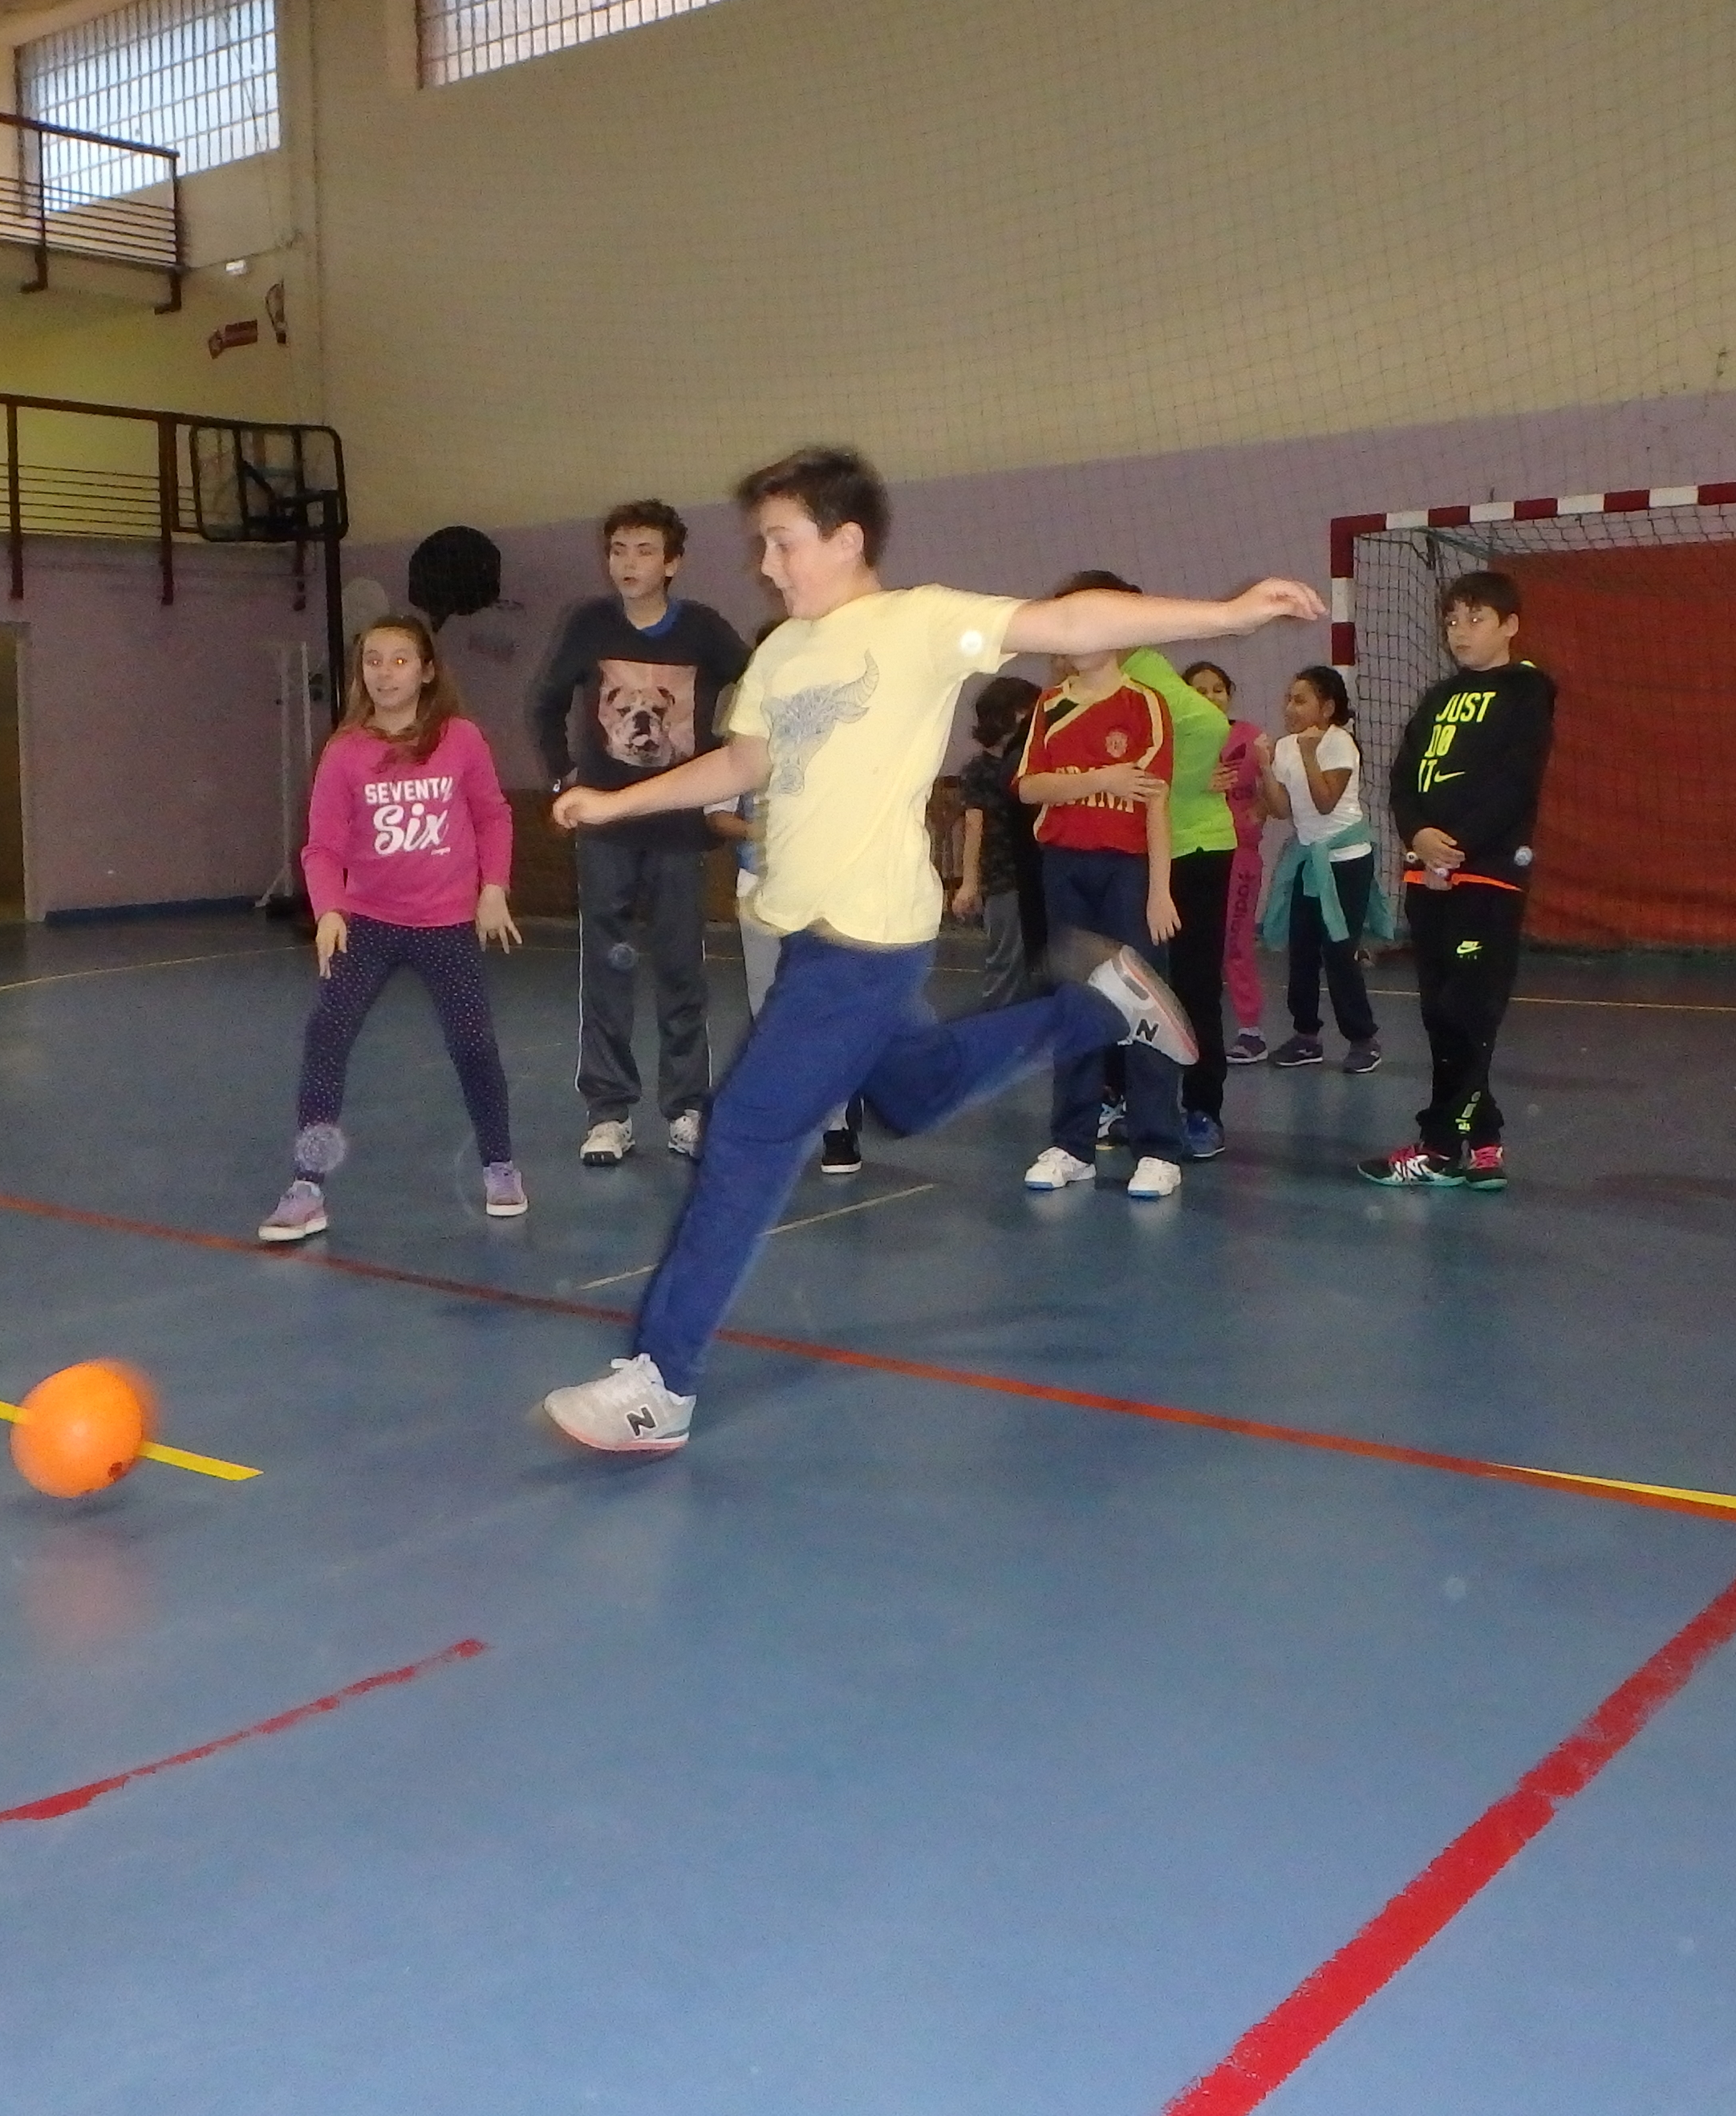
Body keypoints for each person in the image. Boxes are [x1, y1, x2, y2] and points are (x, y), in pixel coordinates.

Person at [538, 445, 1316, 1454]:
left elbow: (1067, 622)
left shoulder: (915, 622)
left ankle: (662, 1386)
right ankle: (1093, 1007)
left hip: (868, 942)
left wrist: (1227, 614)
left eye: (782, 542)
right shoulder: (781, 653)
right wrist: (613, 800)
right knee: (909, 1089)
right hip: (807, 938)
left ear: (845, 538)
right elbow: (741, 761)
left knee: (744, 1138)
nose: (767, 563)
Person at [258, 613, 524, 1240]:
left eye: (399, 660)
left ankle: (500, 1165)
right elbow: (322, 846)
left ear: (427, 670)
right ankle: (306, 1186)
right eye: (372, 660)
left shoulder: (459, 739)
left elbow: (492, 815)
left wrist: (494, 888)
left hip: (445, 922)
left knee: (472, 1043)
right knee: (327, 1038)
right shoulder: (346, 750)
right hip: (370, 923)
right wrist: (329, 910)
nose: (384, 673)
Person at [526, 501, 751, 1170]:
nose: (629, 562)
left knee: (682, 970)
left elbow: (758, 685)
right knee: (607, 969)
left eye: (644, 550)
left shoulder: (705, 631)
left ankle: (686, 1108)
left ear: (672, 562)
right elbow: (545, 701)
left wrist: (732, 764)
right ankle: (608, 1113)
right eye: (618, 549)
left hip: (681, 832)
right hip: (608, 833)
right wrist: (566, 783)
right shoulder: (589, 625)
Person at [1364, 571, 1557, 1189]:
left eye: (1475, 619)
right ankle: (1485, 1139)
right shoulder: (1435, 699)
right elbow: (1402, 780)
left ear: (1508, 625)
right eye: (1451, 620)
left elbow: (1514, 783)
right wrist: (1417, 836)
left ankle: (1441, 1146)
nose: (1459, 632)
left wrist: (1458, 849)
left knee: (1468, 1011)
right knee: (1439, 1013)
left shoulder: (1526, 690)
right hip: (1428, 874)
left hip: (1486, 876)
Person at [1019, 600, 1186, 1197]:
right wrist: (1098, 779)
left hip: (1129, 872)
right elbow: (1030, 787)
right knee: (1075, 1005)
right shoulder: (1050, 705)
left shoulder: (1145, 704)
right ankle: (1072, 1145)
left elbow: (1157, 801)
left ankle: (1158, 1149)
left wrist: (1160, 888)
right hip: (1064, 869)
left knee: (1143, 1006)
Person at [1120, 636, 1237, 1157]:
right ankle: (1144, 1104)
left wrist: (1183, 779)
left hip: (1195, 848)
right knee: (1140, 986)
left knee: (1193, 986)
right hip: (1143, 853)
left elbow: (1210, 725)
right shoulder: (1100, 681)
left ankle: (1202, 1110)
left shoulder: (1143, 669)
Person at [1258, 664, 1385, 1071]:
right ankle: (1306, 1035)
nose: (1290, 708)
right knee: (1302, 950)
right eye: (1289, 700)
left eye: (1301, 700)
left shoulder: (1339, 743)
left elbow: (1326, 800)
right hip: (1308, 859)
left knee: (1339, 952)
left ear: (1327, 707)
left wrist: (1310, 755)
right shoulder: (1286, 746)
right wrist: (1264, 767)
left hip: (1345, 861)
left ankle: (1364, 1039)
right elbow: (1281, 810)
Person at [1187, 661, 1272, 1062]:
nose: (1209, 697)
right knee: (1190, 945)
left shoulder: (1250, 739)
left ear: (1229, 694)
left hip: (1238, 856)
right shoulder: (1177, 740)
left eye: (1217, 689)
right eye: (1199, 690)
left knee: (1234, 941)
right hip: (1189, 854)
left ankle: (1250, 1029)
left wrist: (1261, 806)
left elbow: (1274, 792)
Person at [950, 674, 1044, 1010]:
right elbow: (974, 825)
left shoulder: (1032, 764)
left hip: (1035, 874)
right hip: (1004, 877)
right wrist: (969, 884)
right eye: (1028, 712)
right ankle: (997, 1037)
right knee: (1007, 964)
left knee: (1035, 963)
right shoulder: (981, 769)